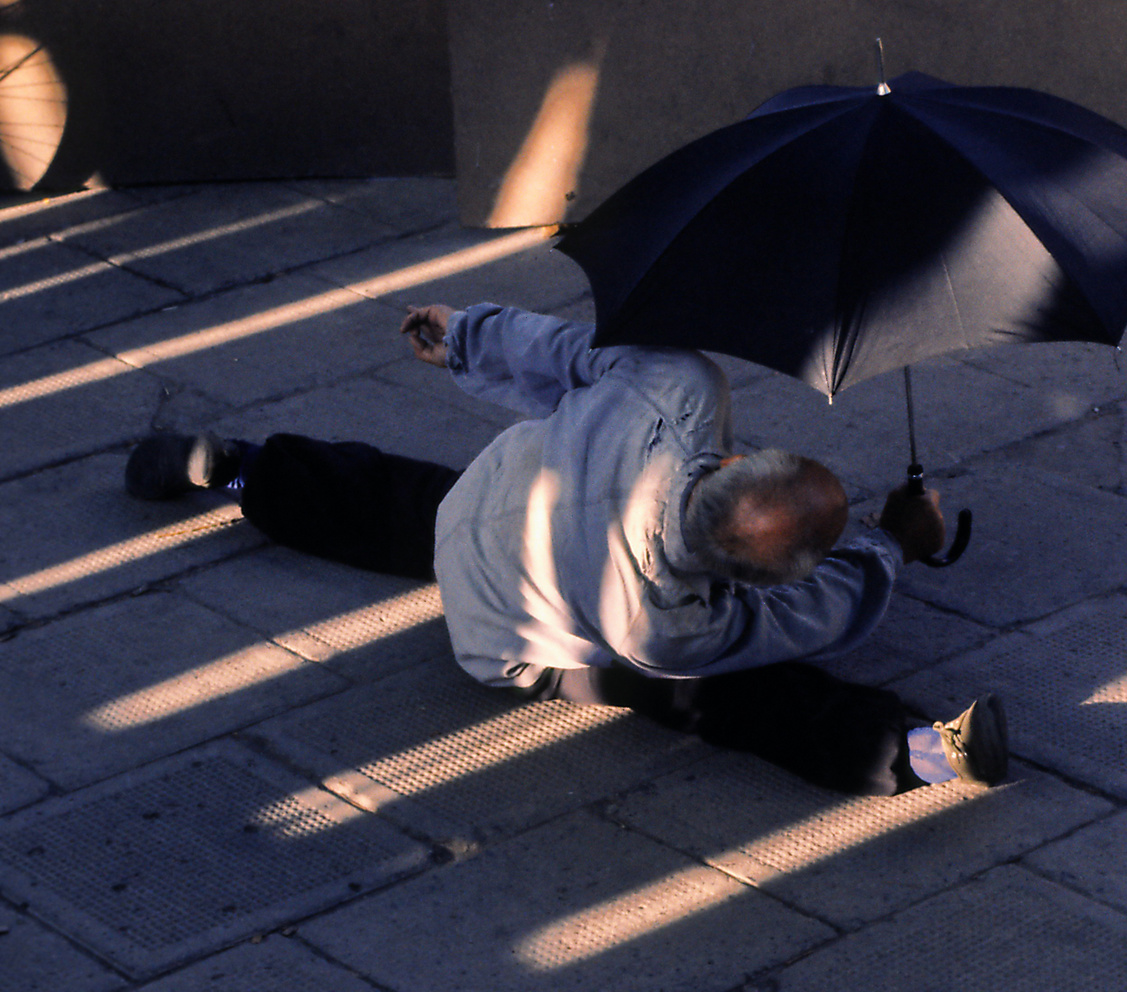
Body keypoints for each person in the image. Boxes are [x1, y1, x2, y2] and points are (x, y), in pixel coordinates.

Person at [125, 301, 1007, 795]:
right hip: (513, 642)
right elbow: (821, 614)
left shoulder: (679, 383)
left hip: (488, 503)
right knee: (724, 697)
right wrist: (892, 542)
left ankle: (234, 471)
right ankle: (920, 751)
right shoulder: (670, 625)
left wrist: (465, 334)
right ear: (743, 580)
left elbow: (564, 349)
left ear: (735, 459)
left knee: (396, 498)